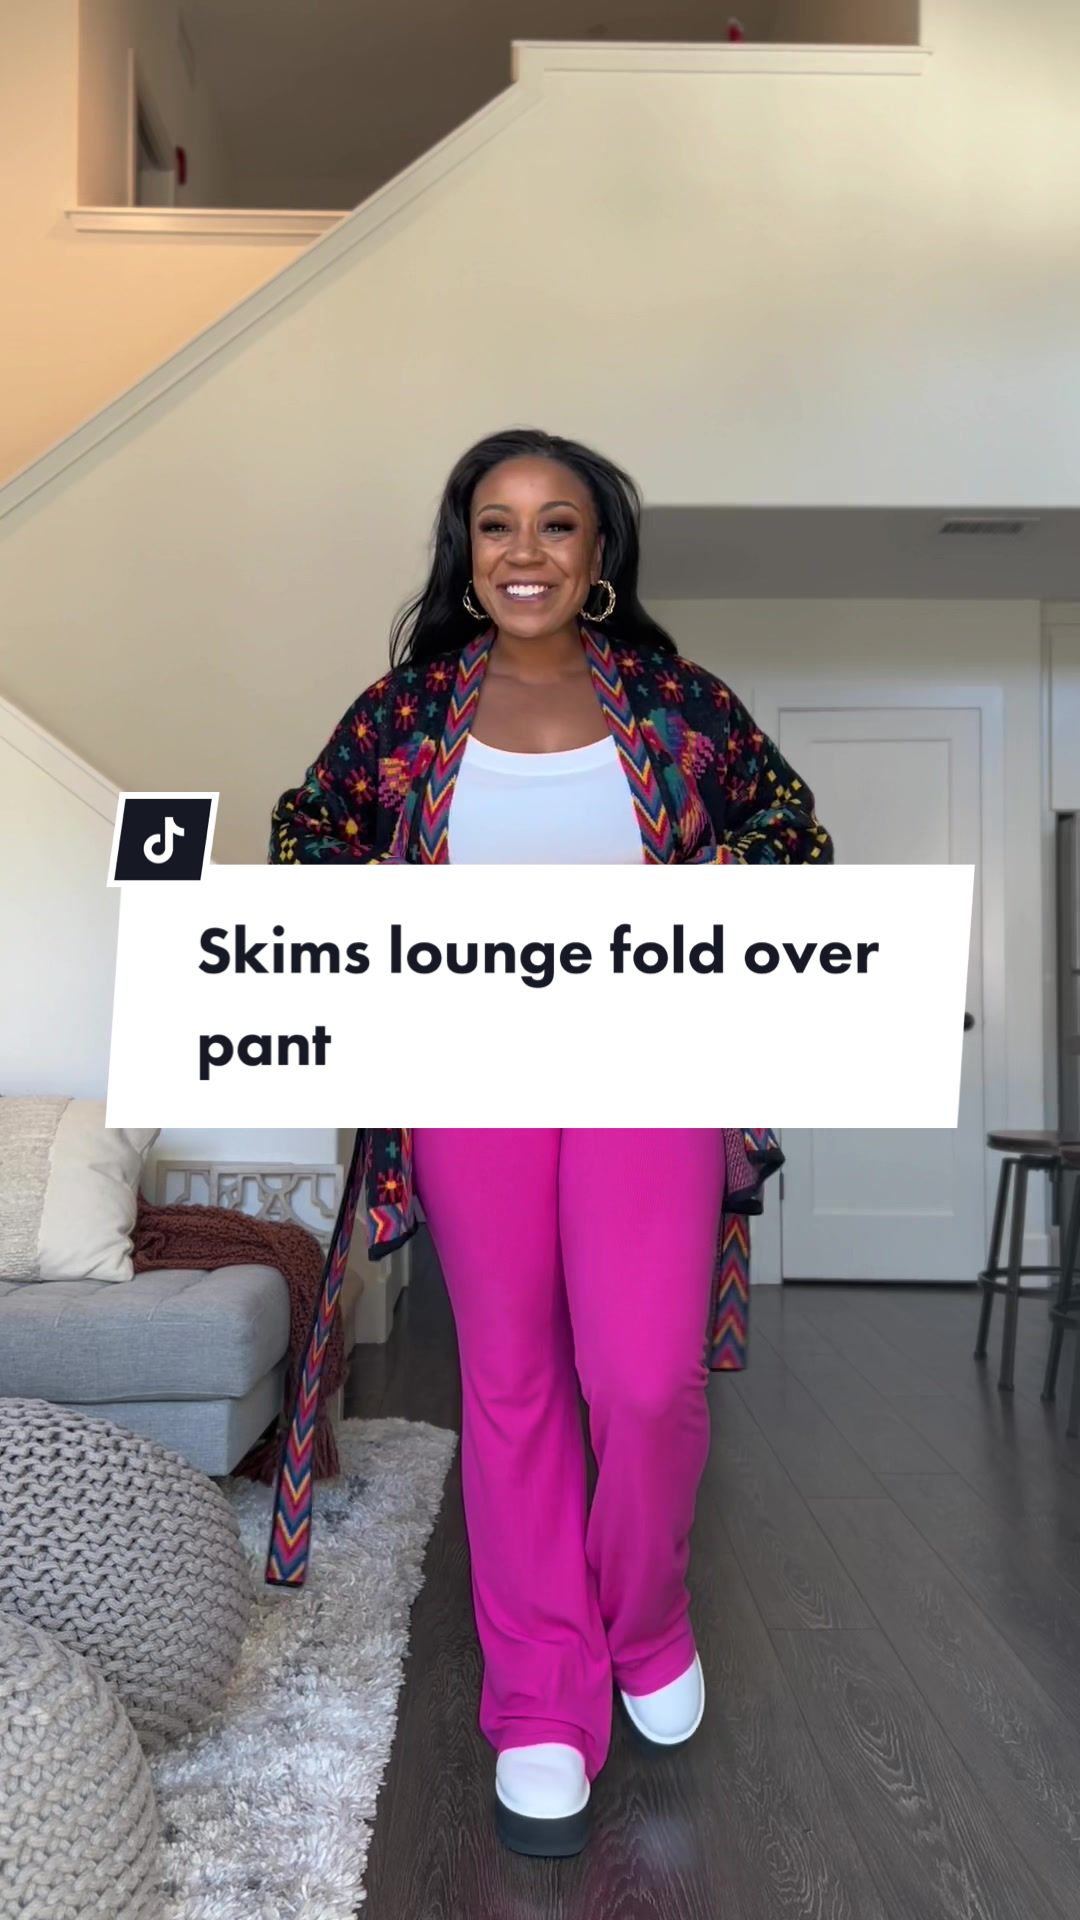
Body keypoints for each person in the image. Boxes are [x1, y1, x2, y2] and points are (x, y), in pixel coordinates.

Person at [266, 428, 833, 1859]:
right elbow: (307, 838)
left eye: (557, 523)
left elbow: (793, 836)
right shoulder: (409, 711)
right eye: (497, 524)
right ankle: (539, 1697)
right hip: (473, 1078)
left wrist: (686, 895)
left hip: (652, 1070)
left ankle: (646, 1616)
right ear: (466, 551)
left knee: (642, 1379)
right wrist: (392, 907)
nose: (525, 552)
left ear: (599, 554)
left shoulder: (676, 702)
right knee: (513, 1384)